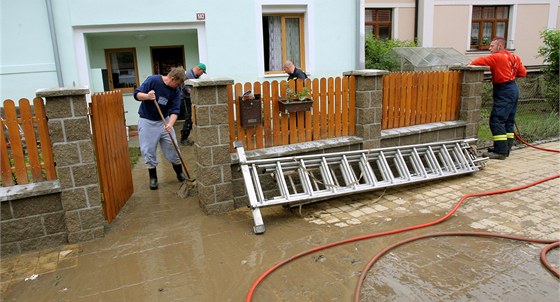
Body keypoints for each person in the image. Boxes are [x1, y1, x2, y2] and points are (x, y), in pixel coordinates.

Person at [470, 37, 527, 160]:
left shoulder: (497, 57)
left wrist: (467, 64)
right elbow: (522, 73)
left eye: (491, 46)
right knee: (508, 121)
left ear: (499, 47)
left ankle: (500, 151)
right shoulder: (515, 57)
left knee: (497, 120)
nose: (489, 49)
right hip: (513, 88)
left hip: (504, 90)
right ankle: (506, 149)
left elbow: (477, 61)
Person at [134, 66, 187, 190]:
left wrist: (170, 125)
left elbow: (175, 110)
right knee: (148, 149)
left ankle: (179, 172)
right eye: (177, 84)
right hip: (147, 121)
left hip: (164, 121)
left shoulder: (175, 91)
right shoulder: (153, 80)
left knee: (172, 146)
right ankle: (153, 177)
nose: (178, 87)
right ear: (172, 79)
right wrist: (147, 96)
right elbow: (136, 94)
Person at [180, 63, 206, 145]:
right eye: (202, 72)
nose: (202, 74)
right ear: (199, 69)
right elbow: (185, 87)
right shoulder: (188, 75)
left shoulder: (195, 75)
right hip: (186, 99)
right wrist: (193, 92)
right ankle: (183, 139)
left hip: (190, 99)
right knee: (189, 118)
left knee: (191, 118)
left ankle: (184, 136)